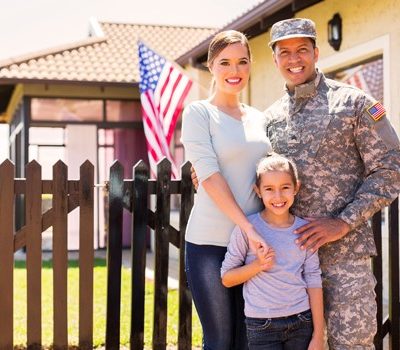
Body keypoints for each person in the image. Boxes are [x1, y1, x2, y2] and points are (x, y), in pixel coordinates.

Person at [264, 18, 400, 349]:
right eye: (285, 52)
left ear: (315, 52)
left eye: (301, 50)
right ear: (275, 59)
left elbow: (391, 168)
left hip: (346, 261)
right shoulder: (269, 118)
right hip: (291, 265)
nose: (294, 59)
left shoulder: (354, 104)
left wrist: (343, 222)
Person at [180, 30, 272, 349]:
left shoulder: (261, 119)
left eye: (242, 62)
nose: (234, 71)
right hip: (209, 244)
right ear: (211, 66)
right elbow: (209, 175)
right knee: (220, 341)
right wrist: (248, 227)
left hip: (253, 247)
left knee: (250, 339)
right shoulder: (199, 113)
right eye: (225, 63)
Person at [221, 153, 324, 350]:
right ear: (257, 191)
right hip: (262, 325)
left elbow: (313, 279)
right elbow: (227, 278)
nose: (278, 197)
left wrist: (318, 334)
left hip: (302, 321)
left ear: (297, 188)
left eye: (285, 187)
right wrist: (258, 266)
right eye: (269, 189)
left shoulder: (304, 230)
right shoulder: (248, 229)